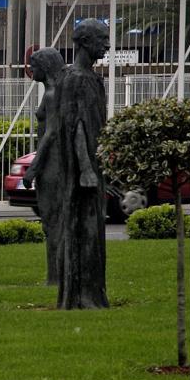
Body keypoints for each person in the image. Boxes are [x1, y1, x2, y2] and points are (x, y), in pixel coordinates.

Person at [54, 19, 110, 310]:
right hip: (80, 172)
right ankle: (81, 295)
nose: (108, 45)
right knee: (83, 230)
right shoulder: (74, 79)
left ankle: (92, 292)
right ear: (86, 42)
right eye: (102, 39)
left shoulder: (94, 79)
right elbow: (74, 126)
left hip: (93, 167)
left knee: (94, 231)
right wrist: (86, 168)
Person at [22, 47, 66, 288]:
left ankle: (55, 276)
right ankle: (55, 275)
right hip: (51, 162)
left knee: (52, 221)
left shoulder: (52, 94)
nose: (31, 69)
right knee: (52, 221)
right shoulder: (53, 92)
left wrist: (33, 169)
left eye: (34, 65)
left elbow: (50, 134)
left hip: (52, 164)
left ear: (46, 67)